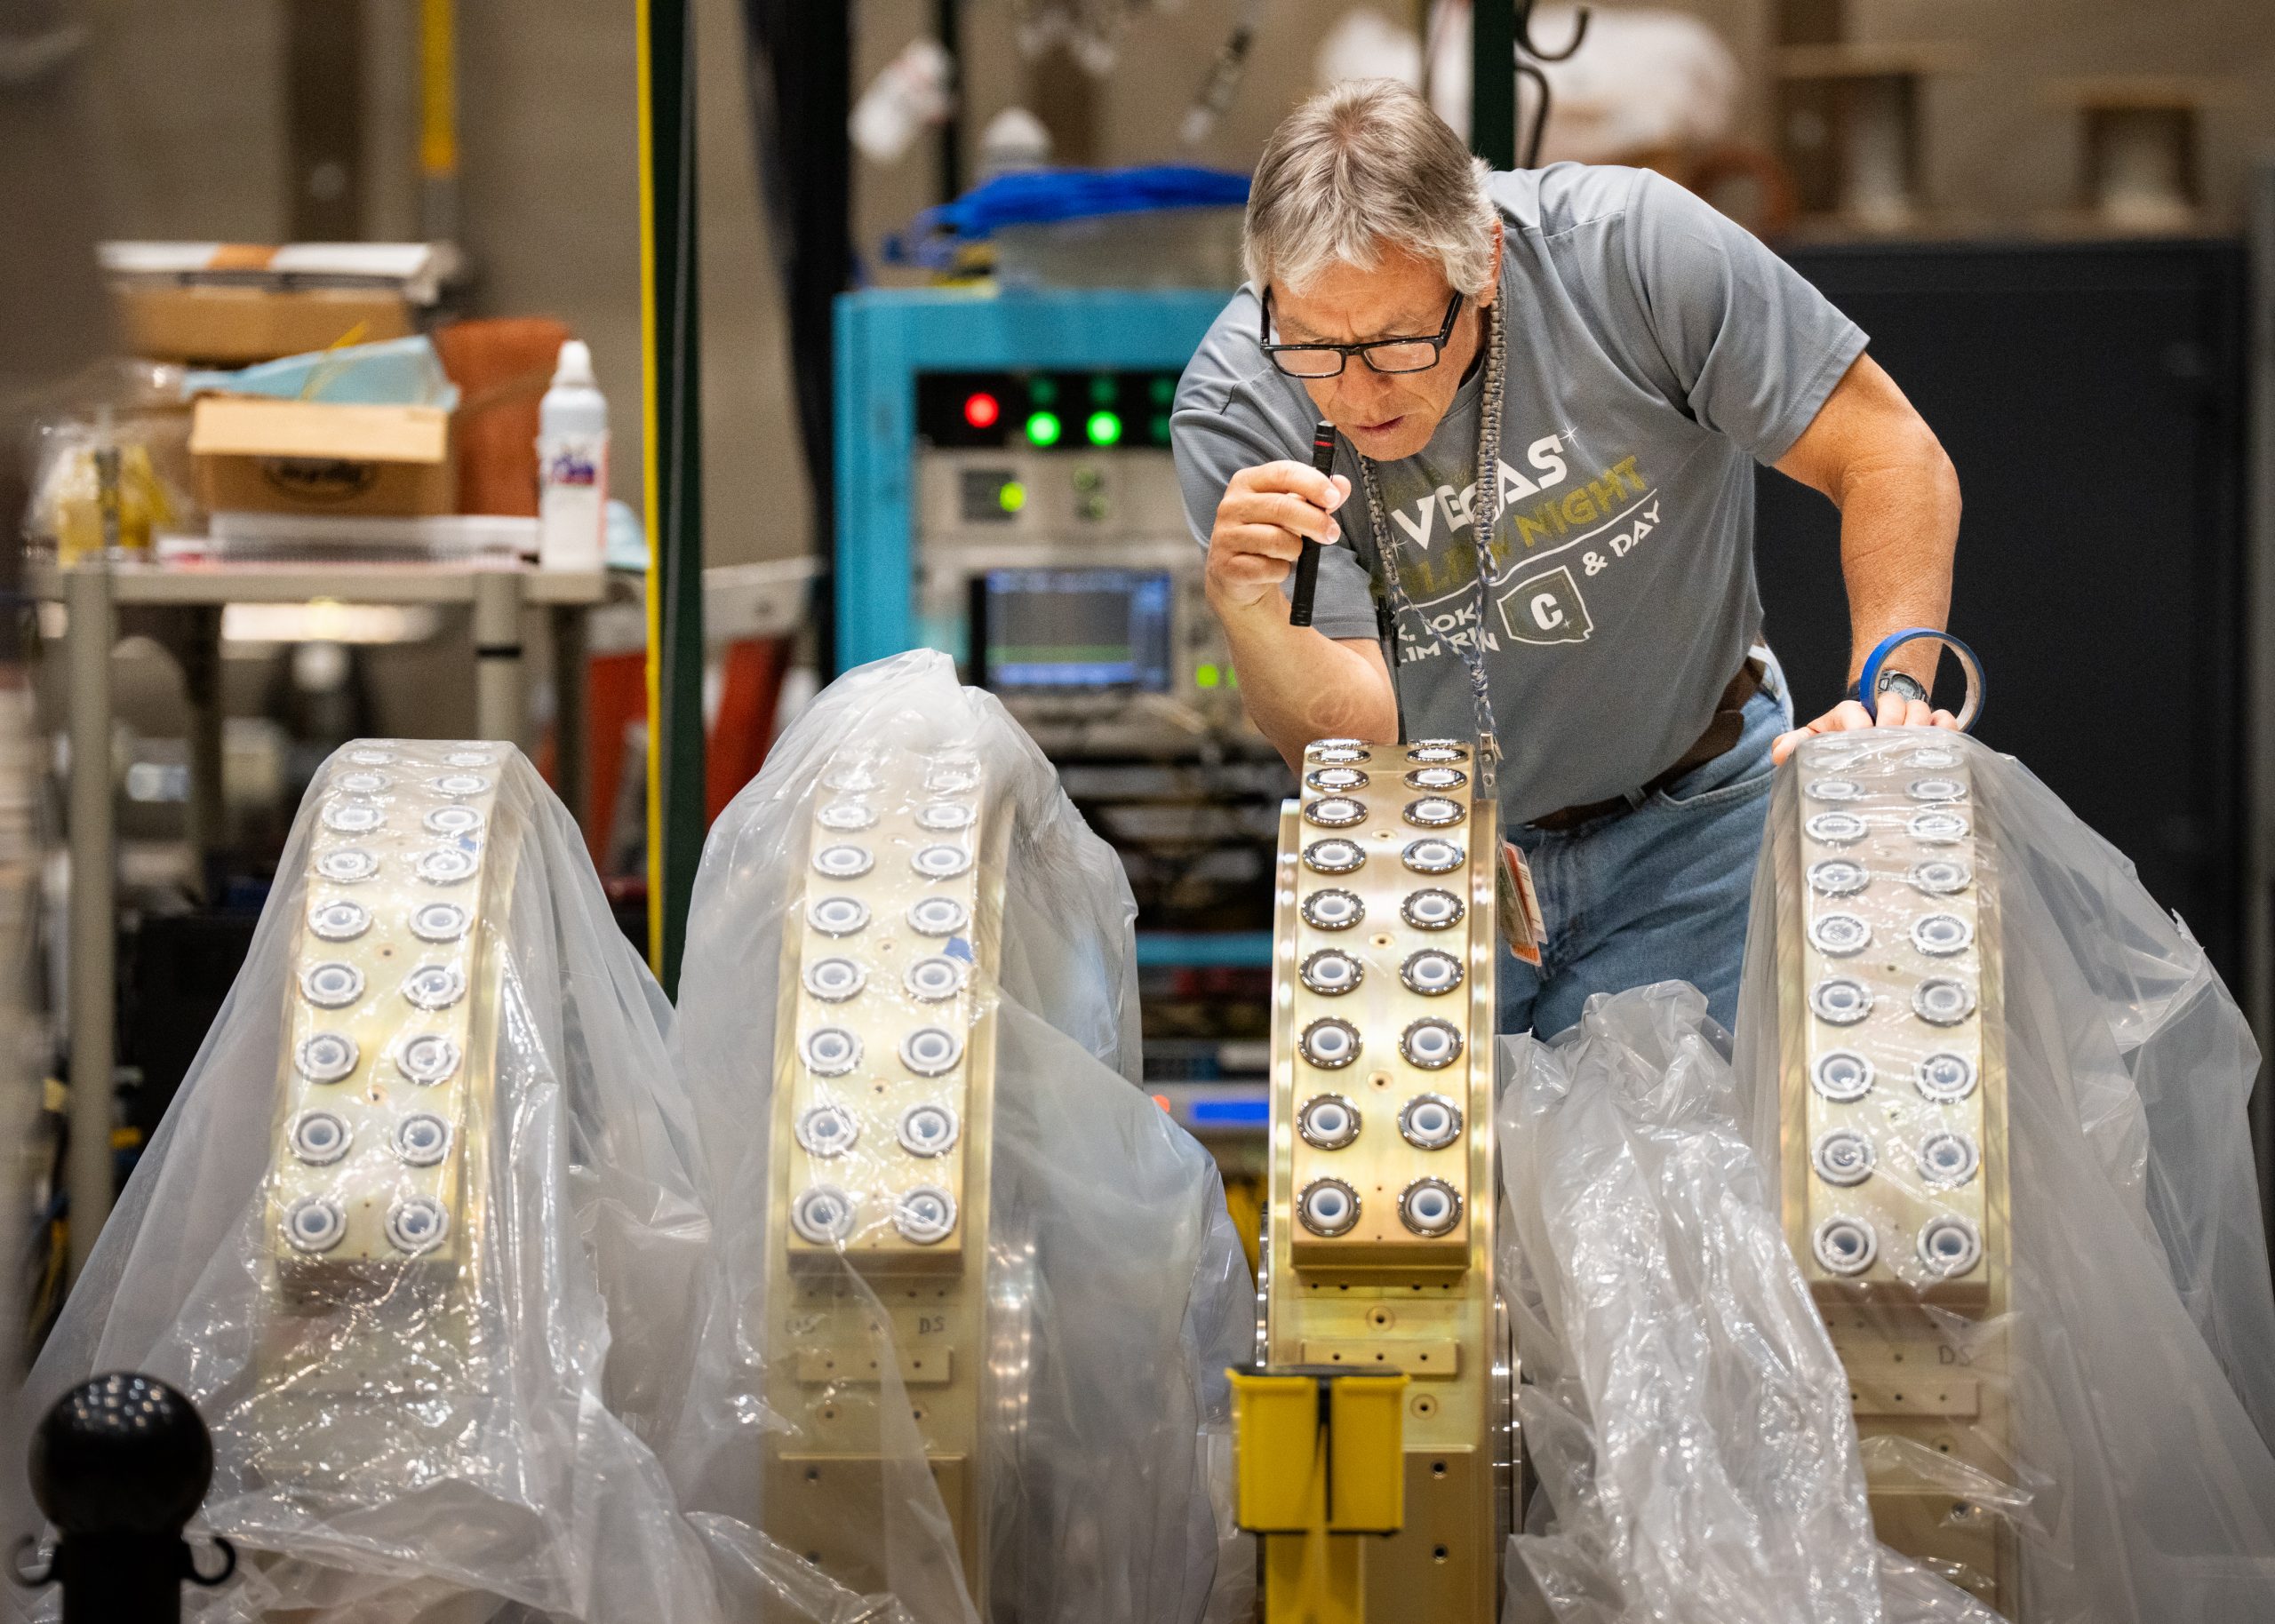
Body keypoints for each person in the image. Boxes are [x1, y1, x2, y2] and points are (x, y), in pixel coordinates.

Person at [1171, 79, 1962, 1035]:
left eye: (1395, 342)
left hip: (1696, 819)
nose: (1356, 391)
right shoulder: (1239, 402)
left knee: (1696, 1173)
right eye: (1313, 344)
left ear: (1485, 265)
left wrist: (1891, 694)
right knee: (1442, 1182)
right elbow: (1355, 735)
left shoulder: (1630, 255)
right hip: (1425, 854)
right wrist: (1249, 609)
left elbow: (1887, 454)